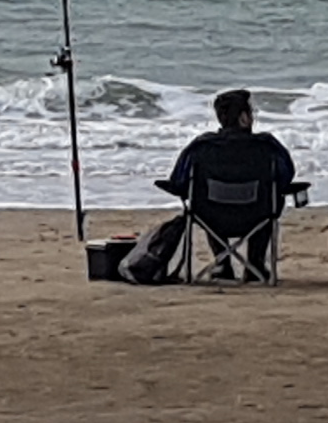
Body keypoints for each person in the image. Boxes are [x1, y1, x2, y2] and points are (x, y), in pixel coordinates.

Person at [116, 89, 296, 284]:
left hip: (211, 219)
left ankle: (222, 264)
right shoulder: (267, 146)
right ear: (244, 117)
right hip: (256, 217)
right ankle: (255, 263)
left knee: (205, 200)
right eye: (251, 113)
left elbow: (179, 182)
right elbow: (287, 176)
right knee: (270, 197)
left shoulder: (201, 146)